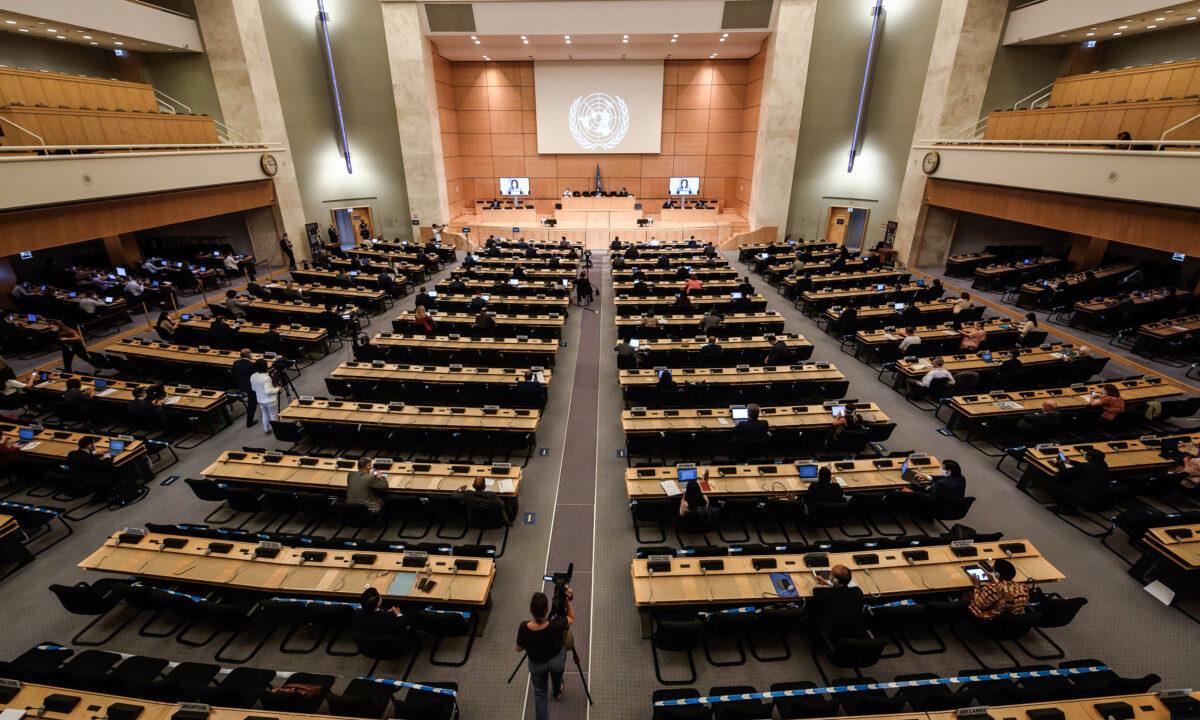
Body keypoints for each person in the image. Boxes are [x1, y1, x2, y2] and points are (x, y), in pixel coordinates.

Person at [517, 588, 574, 720]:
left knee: (540, 693)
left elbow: (518, 649)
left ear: (531, 609)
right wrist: (566, 602)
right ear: (547, 609)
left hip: (537, 665)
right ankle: (557, 692)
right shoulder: (556, 624)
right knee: (557, 676)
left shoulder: (523, 627)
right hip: (556, 662)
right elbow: (571, 617)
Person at [811, 565, 866, 639]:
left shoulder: (825, 594)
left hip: (833, 631)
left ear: (835, 580)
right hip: (854, 628)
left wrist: (826, 583)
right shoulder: (857, 591)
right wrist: (828, 583)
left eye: (831, 575)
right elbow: (841, 589)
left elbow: (815, 590)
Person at [966, 558, 1031, 620]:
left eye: (994, 569)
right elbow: (1004, 592)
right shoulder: (1024, 587)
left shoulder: (992, 588)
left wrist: (976, 586)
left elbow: (979, 605)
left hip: (995, 620)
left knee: (967, 596)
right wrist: (993, 581)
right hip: (1014, 620)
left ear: (997, 574)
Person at [1049, 447, 1109, 513]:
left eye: (1086, 455)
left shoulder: (1085, 468)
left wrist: (1058, 464)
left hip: (1083, 493)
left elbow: (1066, 472)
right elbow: (1083, 465)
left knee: (1055, 481)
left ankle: (1065, 508)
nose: (1084, 456)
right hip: (1096, 491)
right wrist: (1071, 462)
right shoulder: (1103, 464)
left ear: (1089, 458)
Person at [250, 359, 280, 434]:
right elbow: (268, 391)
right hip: (270, 400)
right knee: (273, 415)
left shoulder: (253, 376)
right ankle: (276, 430)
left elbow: (253, 388)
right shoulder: (266, 378)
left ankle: (266, 429)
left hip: (260, 400)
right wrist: (277, 389)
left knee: (265, 414)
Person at [231, 349, 258, 428]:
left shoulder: (235, 363)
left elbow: (234, 375)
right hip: (250, 386)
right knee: (252, 404)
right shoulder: (251, 364)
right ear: (248, 355)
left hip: (240, 385)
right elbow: (255, 376)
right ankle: (249, 422)